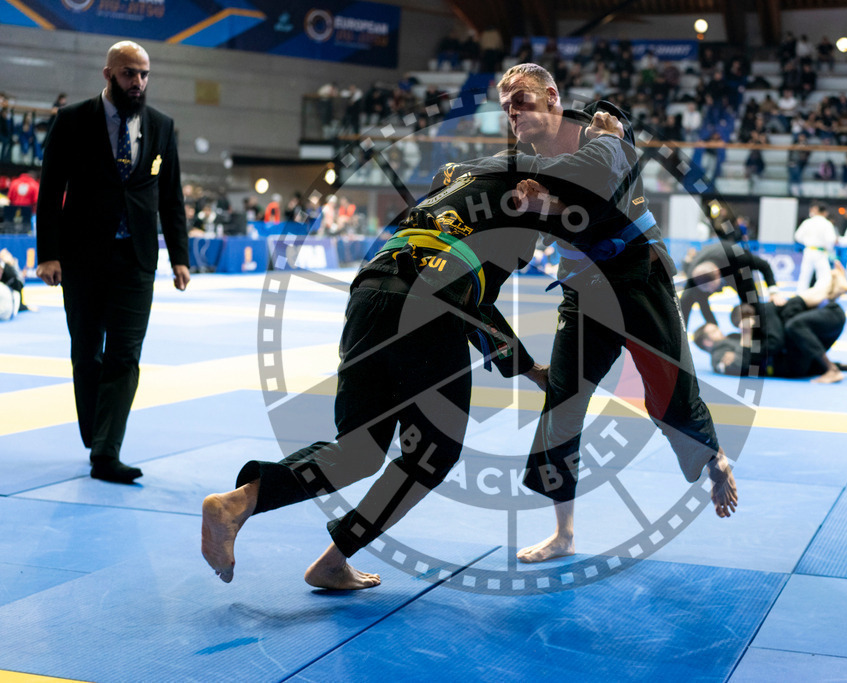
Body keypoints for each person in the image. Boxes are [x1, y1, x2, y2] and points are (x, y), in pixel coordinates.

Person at [201, 116, 631, 589]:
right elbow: (480, 300)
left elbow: (474, 301)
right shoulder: (527, 186)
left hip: (372, 290)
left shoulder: (460, 178)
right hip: (428, 303)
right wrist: (609, 140)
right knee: (433, 454)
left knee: (359, 450)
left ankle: (238, 503)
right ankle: (331, 555)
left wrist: (527, 368)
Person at [496, 63, 737, 565]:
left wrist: (536, 194)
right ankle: (563, 533)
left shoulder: (604, 129)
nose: (514, 112)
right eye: (506, 107)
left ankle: (712, 458)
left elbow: (593, 183)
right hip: (582, 289)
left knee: (668, 390)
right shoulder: (526, 160)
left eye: (521, 99)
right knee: (561, 404)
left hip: (636, 277)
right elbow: (536, 219)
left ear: (552, 96)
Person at [35, 41, 190, 484]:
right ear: (108, 74)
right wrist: (48, 254)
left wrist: (180, 256)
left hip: (137, 259)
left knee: (125, 355)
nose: (137, 82)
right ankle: (95, 432)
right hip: (82, 258)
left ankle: (106, 451)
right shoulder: (72, 121)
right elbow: (50, 190)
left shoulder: (161, 126)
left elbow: (171, 196)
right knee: (87, 354)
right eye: (128, 74)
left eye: (143, 74)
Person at [695, 264, 847, 384]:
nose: (718, 330)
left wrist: (748, 334)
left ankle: (831, 292)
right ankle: (831, 292)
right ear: (707, 342)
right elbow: (741, 364)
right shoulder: (718, 354)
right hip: (783, 364)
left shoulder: (732, 337)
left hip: (787, 359)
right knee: (786, 314)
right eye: (713, 331)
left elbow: (760, 348)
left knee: (787, 313)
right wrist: (746, 333)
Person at [679, 241, 781, 329]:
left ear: (718, 274)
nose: (711, 292)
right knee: (684, 301)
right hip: (706, 271)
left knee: (752, 302)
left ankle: (759, 333)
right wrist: (713, 325)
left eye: (713, 288)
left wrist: (773, 292)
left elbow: (764, 265)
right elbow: (703, 304)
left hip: (736, 272)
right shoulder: (693, 277)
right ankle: (680, 344)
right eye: (708, 291)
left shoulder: (736, 256)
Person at [794, 202, 837, 293]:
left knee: (804, 276)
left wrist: (807, 242)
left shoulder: (808, 222)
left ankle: (800, 296)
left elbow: (797, 236)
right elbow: (830, 240)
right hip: (820, 252)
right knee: (824, 276)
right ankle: (820, 295)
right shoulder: (827, 223)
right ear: (825, 212)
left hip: (808, 250)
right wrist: (829, 250)